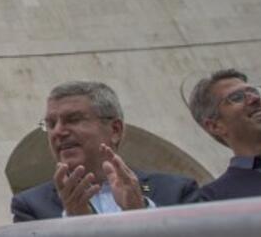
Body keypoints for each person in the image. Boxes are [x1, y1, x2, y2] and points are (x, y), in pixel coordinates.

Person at [10, 81, 198, 221]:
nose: (58, 131)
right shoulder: (30, 208)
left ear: (115, 130)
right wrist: (77, 228)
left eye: (74, 119)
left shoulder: (177, 192)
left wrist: (140, 215)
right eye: (51, 124)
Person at [187, 68, 261, 201]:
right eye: (237, 97)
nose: (255, 99)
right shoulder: (213, 200)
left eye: (254, 92)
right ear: (215, 126)